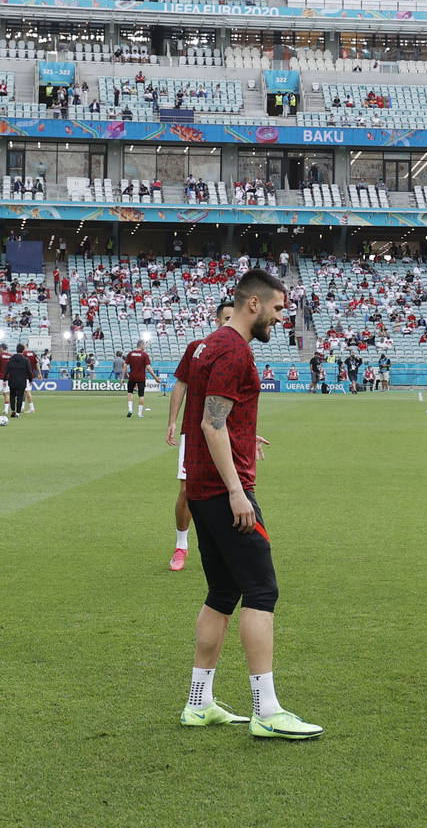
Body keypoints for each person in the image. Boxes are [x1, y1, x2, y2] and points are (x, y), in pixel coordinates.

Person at [178, 268, 322, 739]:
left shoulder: (205, 344)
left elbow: (213, 414)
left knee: (222, 593)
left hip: (201, 488)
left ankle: (199, 703)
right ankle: (267, 710)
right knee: (262, 592)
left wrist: (242, 434)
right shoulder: (233, 349)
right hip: (226, 491)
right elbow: (210, 423)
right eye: (278, 309)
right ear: (254, 304)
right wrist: (239, 491)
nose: (281, 318)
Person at [166, 301, 234, 572]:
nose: (230, 322)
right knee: (186, 490)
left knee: (230, 488)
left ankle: (225, 546)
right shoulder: (196, 349)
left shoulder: (239, 352)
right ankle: (181, 545)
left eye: (234, 317)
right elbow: (181, 383)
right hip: (194, 432)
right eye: (226, 318)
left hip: (227, 433)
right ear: (217, 320)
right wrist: (172, 421)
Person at [124, 339, 161, 419]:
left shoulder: (130, 354)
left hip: (132, 377)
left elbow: (125, 365)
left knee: (130, 393)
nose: (145, 346)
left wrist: (123, 375)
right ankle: (139, 413)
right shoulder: (144, 355)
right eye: (144, 345)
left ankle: (130, 409)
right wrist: (155, 377)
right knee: (141, 395)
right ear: (141, 345)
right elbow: (148, 367)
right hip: (141, 378)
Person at [5, 342, 32, 418]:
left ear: (16, 350)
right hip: (21, 381)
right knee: (20, 397)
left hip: (12, 380)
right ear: (23, 350)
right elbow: (29, 371)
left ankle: (13, 410)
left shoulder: (11, 359)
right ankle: (17, 413)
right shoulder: (26, 360)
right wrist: (30, 380)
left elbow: (7, 370)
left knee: (12, 396)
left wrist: (4, 379)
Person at [19, 344, 40, 413]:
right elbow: (37, 363)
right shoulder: (33, 354)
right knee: (25, 391)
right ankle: (22, 407)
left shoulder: (23, 354)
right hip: (31, 375)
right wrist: (39, 373)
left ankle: (32, 408)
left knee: (26, 392)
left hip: (24, 375)